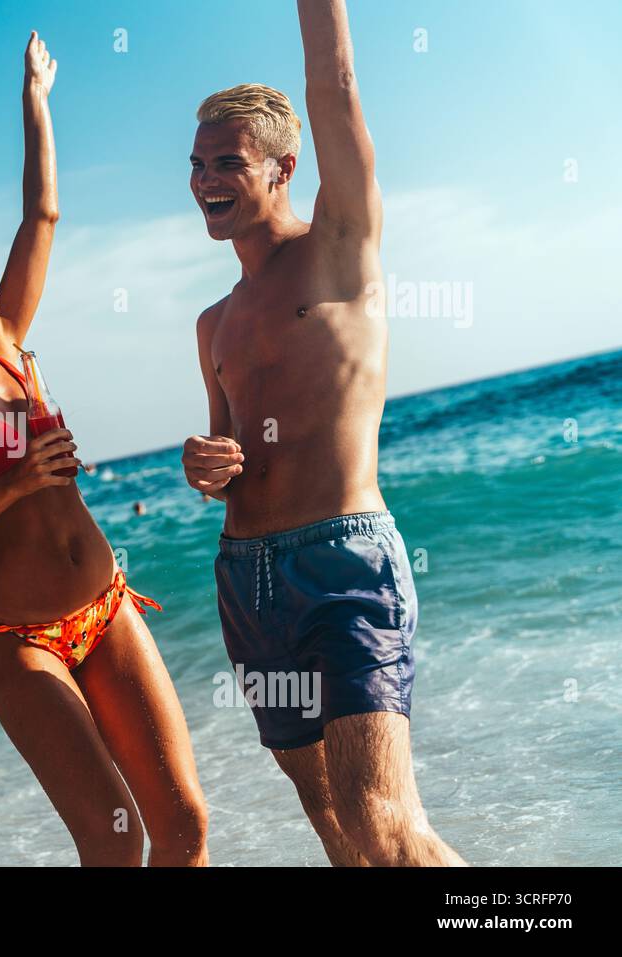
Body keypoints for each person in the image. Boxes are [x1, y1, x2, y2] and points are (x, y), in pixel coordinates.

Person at [0, 32, 208, 866]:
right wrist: (16, 482)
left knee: (185, 827)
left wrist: (36, 100)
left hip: (107, 599)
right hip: (22, 636)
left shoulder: (10, 342)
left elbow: (43, 215)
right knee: (115, 838)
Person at [182, 0, 464, 865]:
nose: (203, 180)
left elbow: (333, 83)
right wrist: (207, 464)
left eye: (227, 162)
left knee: (385, 824)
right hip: (249, 584)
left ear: (283, 168)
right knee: (338, 826)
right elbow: (229, 452)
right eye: (195, 164)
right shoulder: (213, 323)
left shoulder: (341, 244)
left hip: (344, 564)